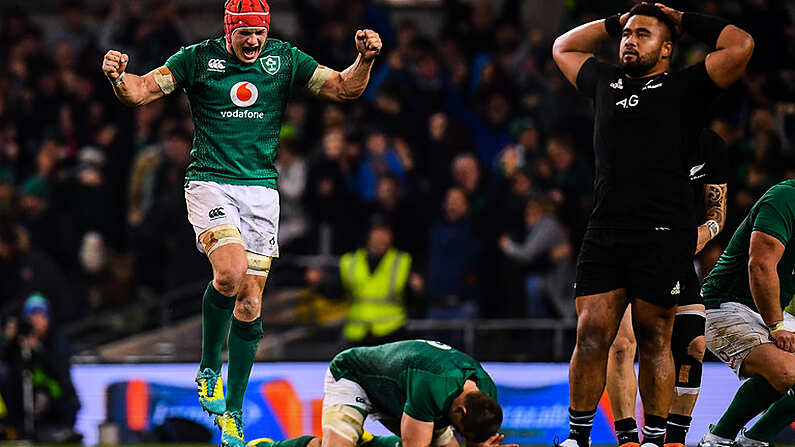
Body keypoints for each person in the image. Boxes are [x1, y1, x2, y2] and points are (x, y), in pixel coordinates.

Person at [100, 1, 382, 446]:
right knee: (228, 274)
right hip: (210, 182)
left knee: (250, 305)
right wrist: (118, 77)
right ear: (229, 30)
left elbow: (345, 89)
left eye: (260, 33)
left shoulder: (284, 59)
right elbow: (139, 92)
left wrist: (364, 60)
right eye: (245, 33)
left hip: (260, 193)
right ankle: (209, 366)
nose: (253, 41)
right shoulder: (195, 59)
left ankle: (232, 414)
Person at [551, 3, 753, 447]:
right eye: (626, 34)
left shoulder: (686, 86)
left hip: (661, 236)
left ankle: (656, 440)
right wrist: (613, 20)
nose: (628, 40)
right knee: (591, 335)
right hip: (604, 231)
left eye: (642, 34)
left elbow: (741, 45)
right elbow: (562, 46)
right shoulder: (604, 81)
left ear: (665, 48)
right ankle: (576, 438)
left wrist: (682, 19)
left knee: (657, 339)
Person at [605, 129, 729, 447]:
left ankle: (673, 438)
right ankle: (629, 438)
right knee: (622, 345)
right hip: (624, 247)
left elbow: (717, 210)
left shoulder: (710, 144)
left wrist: (705, 232)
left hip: (674, 253)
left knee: (694, 345)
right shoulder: (637, 130)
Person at [250, 340, 514, 447]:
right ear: (461, 411)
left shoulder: (484, 390)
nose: (459, 431)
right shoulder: (431, 385)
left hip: (402, 392)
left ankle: (363, 441)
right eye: (460, 428)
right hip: (355, 375)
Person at [698, 178, 795, 447]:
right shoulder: (785, 198)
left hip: (768, 310)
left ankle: (735, 440)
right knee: (789, 373)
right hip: (725, 304)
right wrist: (777, 325)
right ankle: (738, 439)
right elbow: (760, 265)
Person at [340, 222, 413, 346]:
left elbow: (413, 296)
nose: (381, 237)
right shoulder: (349, 261)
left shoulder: (402, 260)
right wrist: (321, 280)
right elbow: (336, 290)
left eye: (385, 232)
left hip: (392, 330)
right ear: (369, 235)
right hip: (357, 331)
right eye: (378, 232)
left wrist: (416, 286)